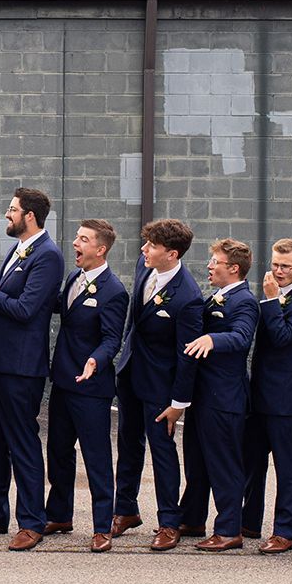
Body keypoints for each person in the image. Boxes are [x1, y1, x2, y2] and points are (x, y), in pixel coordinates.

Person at [0, 188, 65, 551]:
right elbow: (9, 304)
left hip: (22, 366)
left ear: (30, 216)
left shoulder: (48, 255)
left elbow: (27, 309)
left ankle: (32, 521)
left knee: (22, 442)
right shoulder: (18, 248)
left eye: (12, 210)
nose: (6, 215)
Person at [109, 219, 202, 551]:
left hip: (162, 385)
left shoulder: (188, 297)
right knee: (127, 444)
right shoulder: (144, 266)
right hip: (131, 372)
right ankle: (125, 509)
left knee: (162, 451)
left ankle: (168, 522)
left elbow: (187, 355)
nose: (143, 250)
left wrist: (179, 403)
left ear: (172, 254)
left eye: (151, 246)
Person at [42, 220, 127, 552]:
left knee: (97, 457)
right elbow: (59, 307)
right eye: (77, 238)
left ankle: (102, 526)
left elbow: (111, 339)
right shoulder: (74, 278)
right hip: (63, 381)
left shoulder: (114, 291)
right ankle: (60, 514)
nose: (75, 244)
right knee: (58, 452)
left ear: (100, 249)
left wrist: (96, 360)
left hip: (91, 388)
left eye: (83, 240)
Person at [239, 239, 292, 554]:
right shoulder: (276, 294)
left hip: (286, 399)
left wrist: (271, 301)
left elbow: (284, 337)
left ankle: (285, 531)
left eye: (285, 266)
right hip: (260, 393)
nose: (278, 271)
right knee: (253, 461)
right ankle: (248, 521)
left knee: (287, 466)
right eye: (275, 264)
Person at [178, 238, 259, 551]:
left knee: (224, 464)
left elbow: (241, 337)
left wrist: (213, 339)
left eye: (215, 262)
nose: (209, 266)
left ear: (233, 269)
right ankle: (193, 518)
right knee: (197, 462)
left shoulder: (244, 302)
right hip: (202, 395)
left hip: (224, 398)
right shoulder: (217, 298)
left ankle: (229, 529)